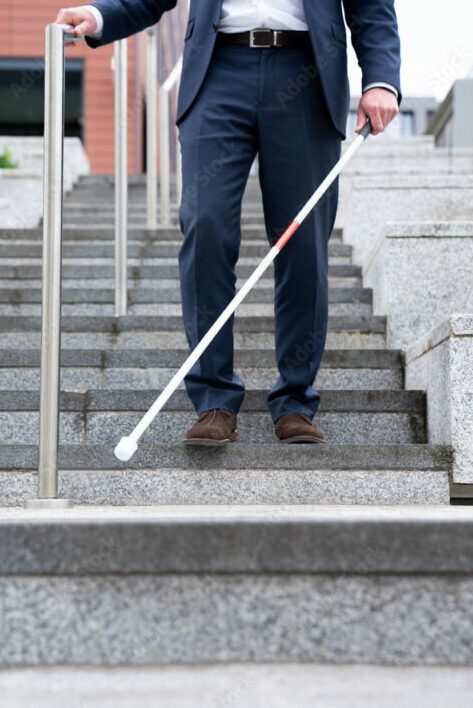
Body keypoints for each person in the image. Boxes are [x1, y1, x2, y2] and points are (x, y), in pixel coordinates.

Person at [56, 1, 401, 445]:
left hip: (308, 71)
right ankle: (214, 399)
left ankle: (296, 400)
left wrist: (381, 79)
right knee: (206, 225)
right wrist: (102, 16)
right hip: (218, 70)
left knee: (304, 241)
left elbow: (371, 7)